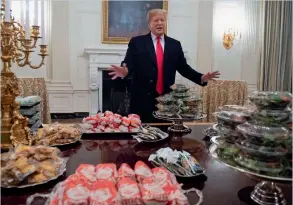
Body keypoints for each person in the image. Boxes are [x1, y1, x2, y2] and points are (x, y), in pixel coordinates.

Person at [107, 9, 220, 122]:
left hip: (166, 102)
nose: (160, 23)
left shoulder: (175, 45)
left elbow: (184, 68)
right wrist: (125, 71)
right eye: (156, 20)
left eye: (162, 20)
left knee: (165, 135)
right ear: (149, 24)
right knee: (140, 136)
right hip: (141, 101)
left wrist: (201, 78)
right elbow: (128, 63)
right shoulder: (137, 42)